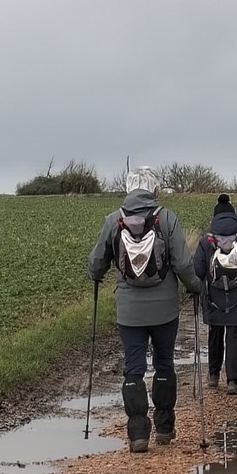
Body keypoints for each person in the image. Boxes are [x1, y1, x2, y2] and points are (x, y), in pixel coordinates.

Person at [86, 176, 193, 451]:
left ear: (128, 189)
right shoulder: (167, 218)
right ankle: (165, 428)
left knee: (133, 368)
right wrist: (196, 286)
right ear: (154, 189)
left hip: (129, 311)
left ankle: (137, 434)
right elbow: (182, 262)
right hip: (165, 309)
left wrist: (96, 274)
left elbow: (97, 262)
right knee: (164, 363)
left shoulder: (113, 220)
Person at [193, 190, 237, 394]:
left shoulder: (206, 242)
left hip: (213, 298)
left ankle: (213, 376)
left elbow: (197, 270)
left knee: (215, 333)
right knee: (234, 337)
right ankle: (233, 381)